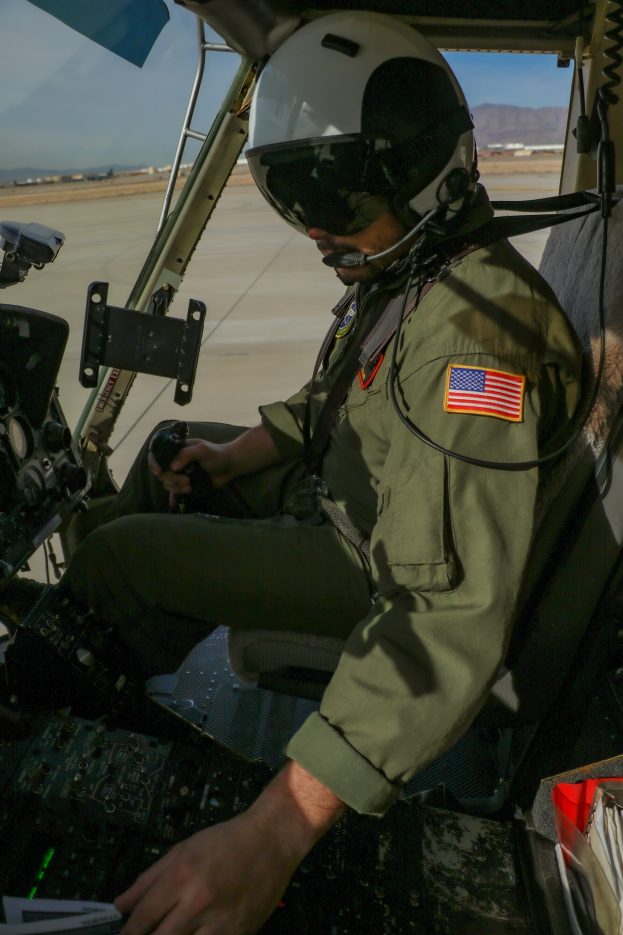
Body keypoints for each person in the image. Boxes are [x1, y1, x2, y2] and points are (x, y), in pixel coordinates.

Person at [63, 12, 583, 934]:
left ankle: (79, 744)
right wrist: (230, 457)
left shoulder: (474, 341)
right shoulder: (416, 270)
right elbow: (335, 400)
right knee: (166, 450)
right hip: (356, 492)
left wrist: (271, 832)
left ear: (421, 169)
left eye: (332, 198)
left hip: (376, 564)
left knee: (117, 560)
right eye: (290, 196)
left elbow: (444, 615)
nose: (310, 228)